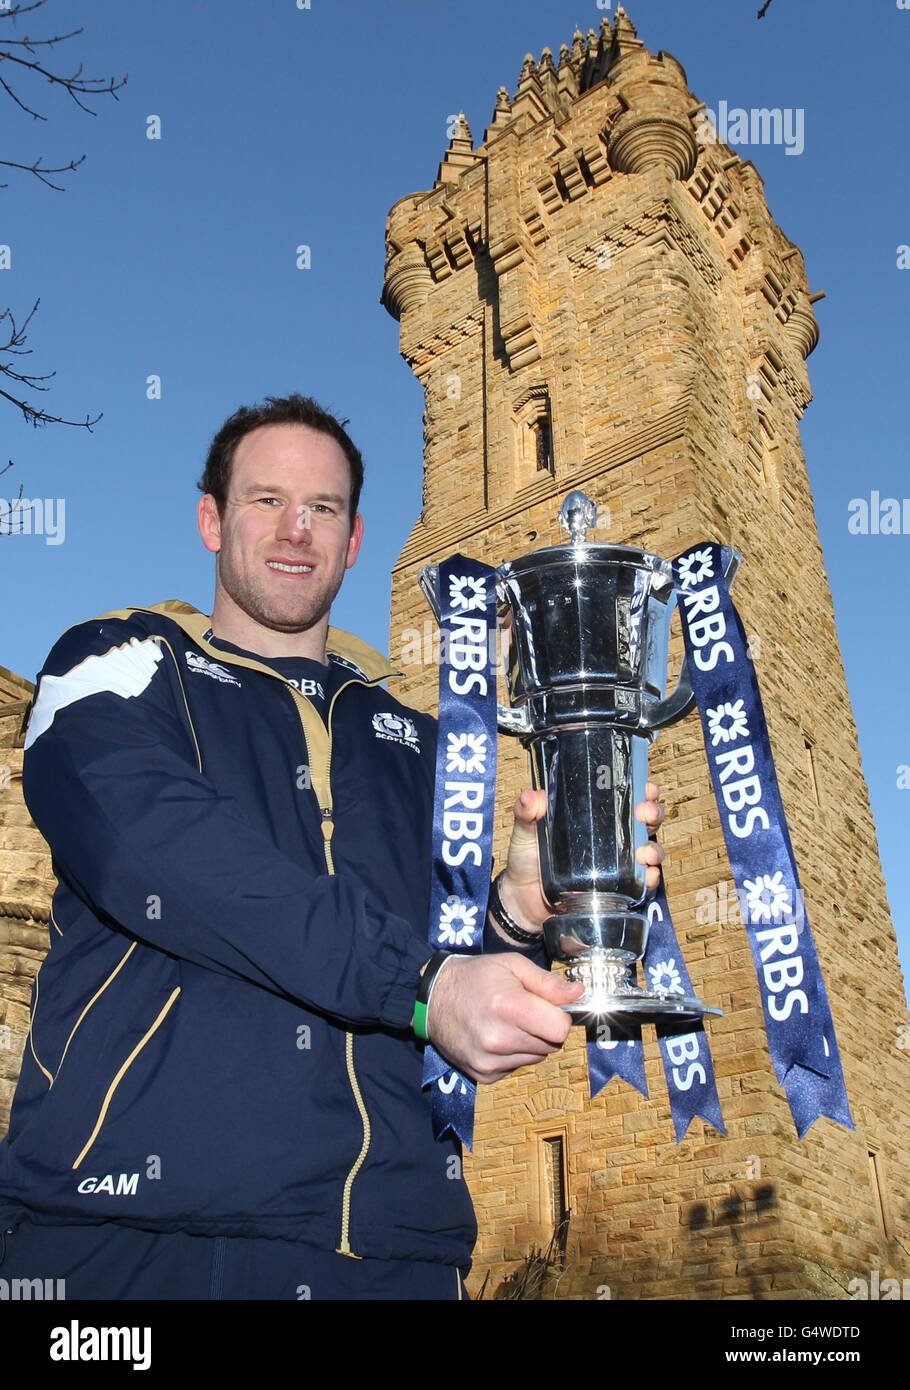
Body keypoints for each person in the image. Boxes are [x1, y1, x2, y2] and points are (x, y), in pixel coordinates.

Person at [0, 395, 665, 1300]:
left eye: (323, 510)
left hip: (400, 1253)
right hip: (138, 1241)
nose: (295, 531)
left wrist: (516, 915)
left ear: (354, 541)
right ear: (211, 519)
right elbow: (153, 849)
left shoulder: (426, 744)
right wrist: (423, 985)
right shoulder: (116, 663)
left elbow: (455, 986)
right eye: (266, 499)